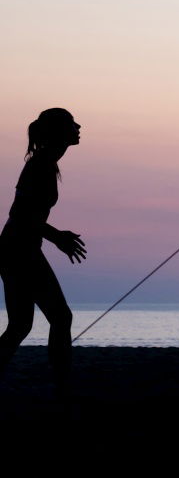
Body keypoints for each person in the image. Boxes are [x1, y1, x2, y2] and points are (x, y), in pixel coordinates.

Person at [0, 108, 87, 387]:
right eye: (72, 123)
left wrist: (53, 236)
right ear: (59, 131)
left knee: (20, 325)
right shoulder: (41, 165)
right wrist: (57, 237)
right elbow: (21, 214)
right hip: (18, 249)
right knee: (61, 318)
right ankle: (62, 384)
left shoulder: (46, 163)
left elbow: (28, 216)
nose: (78, 126)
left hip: (16, 248)